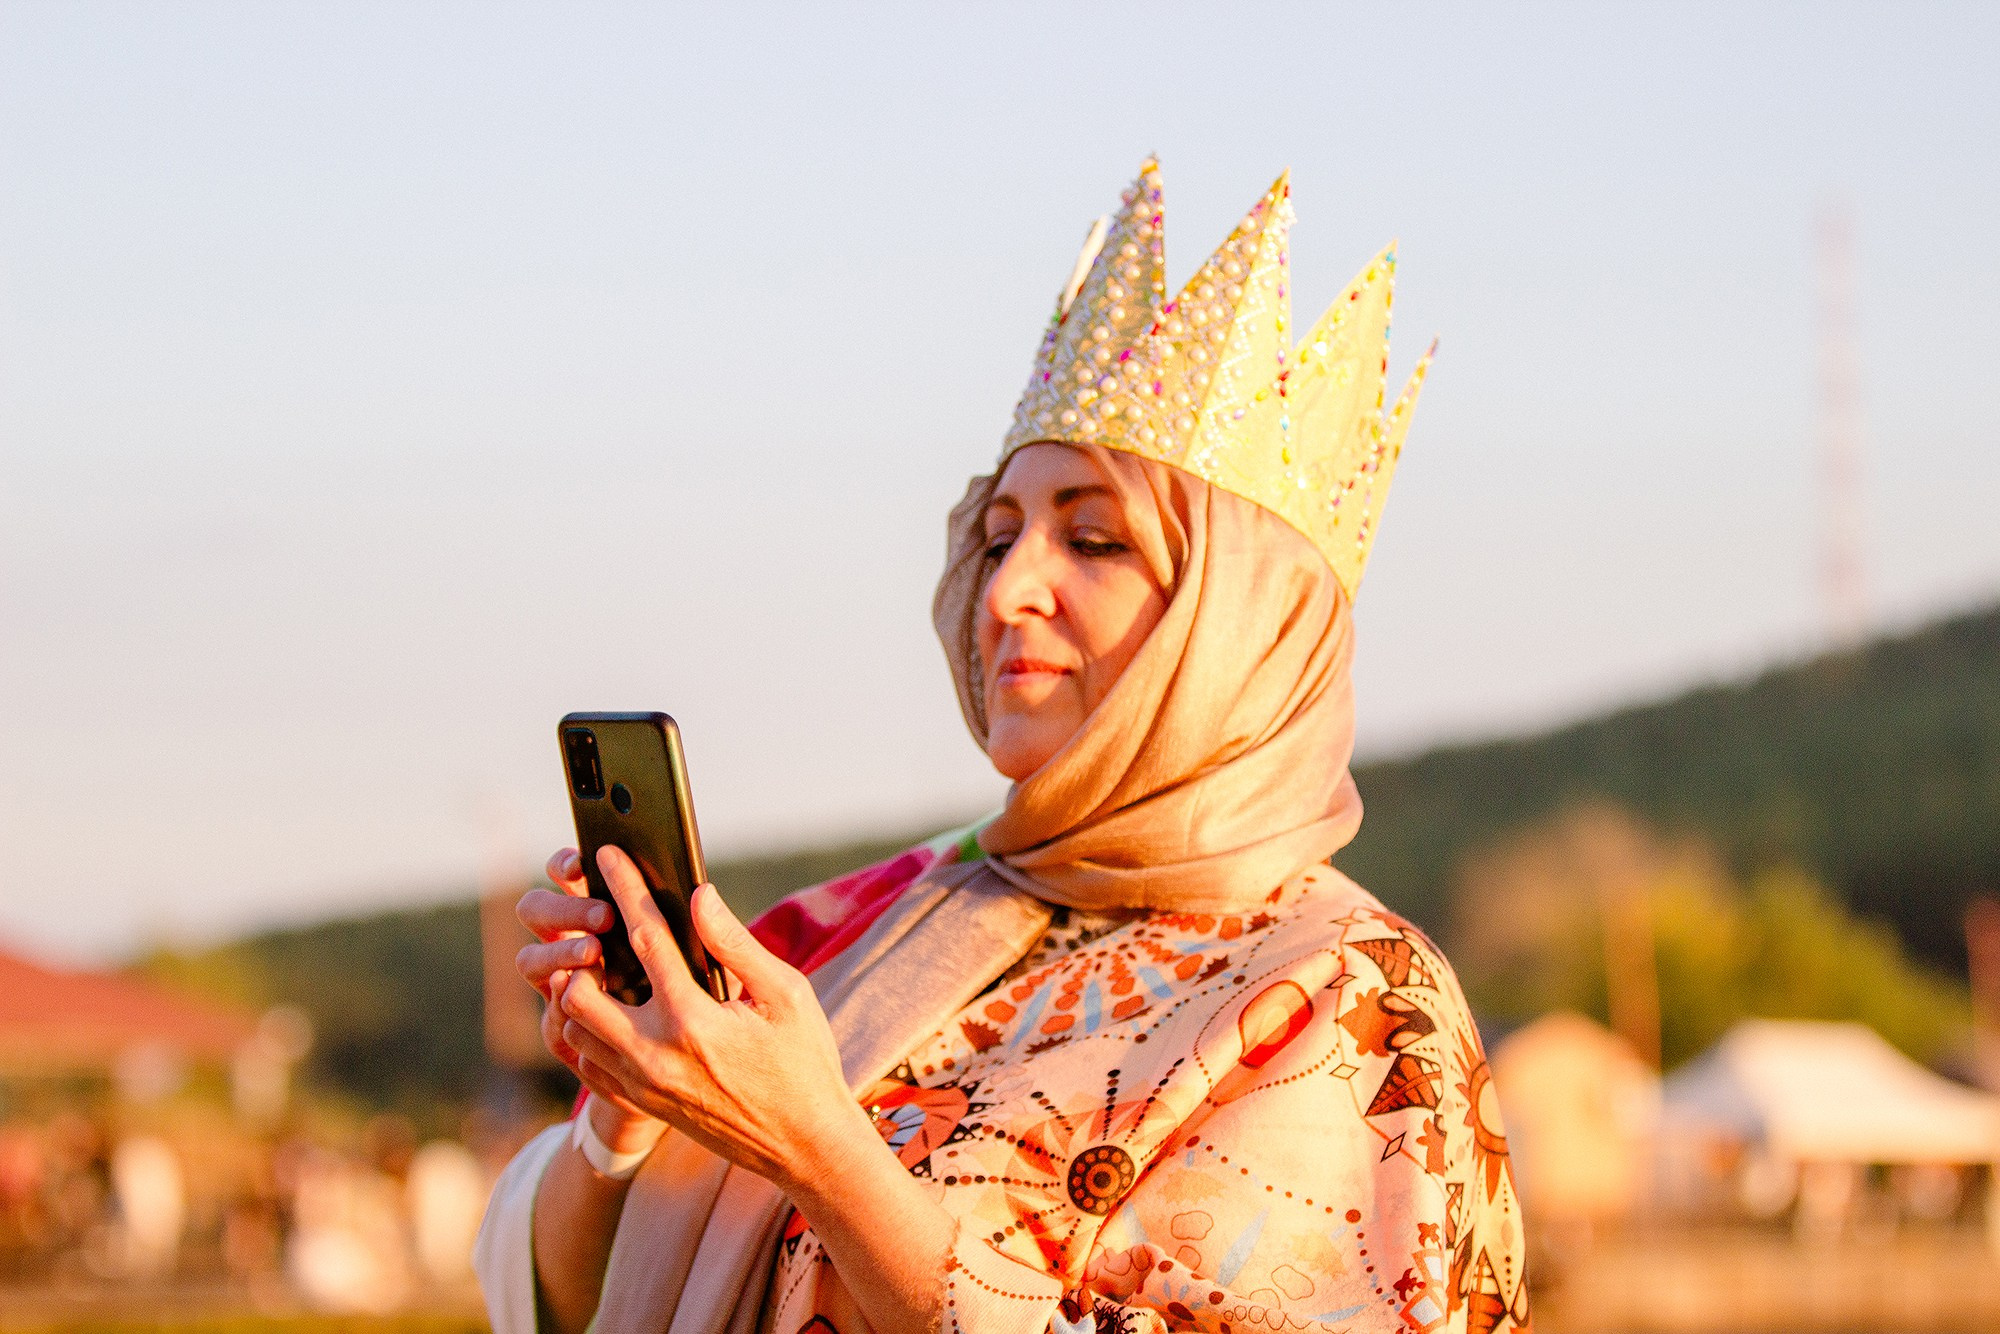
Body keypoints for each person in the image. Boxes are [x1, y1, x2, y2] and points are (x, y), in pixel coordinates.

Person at [474, 160, 1530, 1334]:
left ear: (1239, 621)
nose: (1008, 586)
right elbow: (565, 1303)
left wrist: (822, 1149)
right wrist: (634, 1111)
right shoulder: (876, 926)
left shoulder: (1350, 990)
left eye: (1091, 538)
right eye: (996, 534)